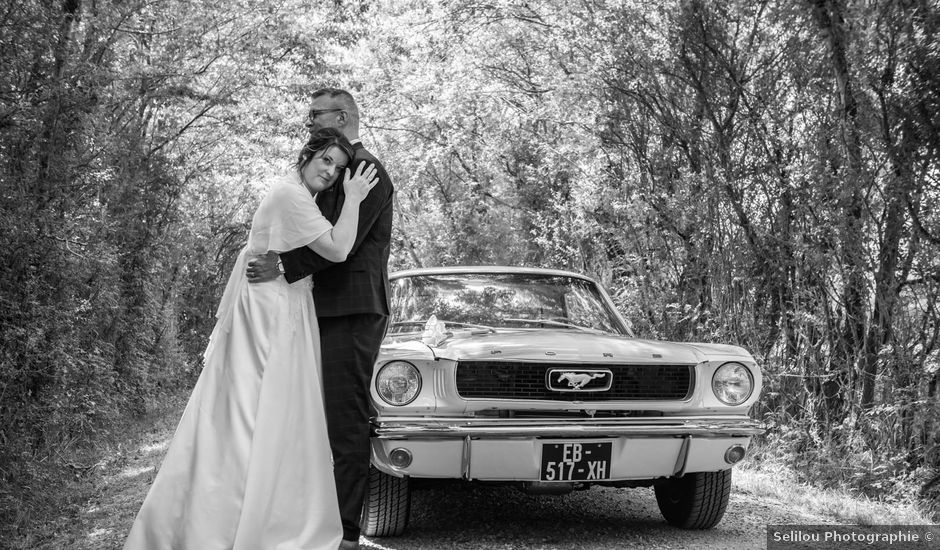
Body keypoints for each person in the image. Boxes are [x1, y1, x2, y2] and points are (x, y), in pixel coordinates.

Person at [123, 128, 378, 550]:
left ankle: (261, 510)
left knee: (270, 411)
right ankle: (231, 520)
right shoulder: (290, 195)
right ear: (307, 155)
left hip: (278, 303)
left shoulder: (297, 194)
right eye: (325, 161)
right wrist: (352, 198)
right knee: (254, 410)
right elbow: (336, 249)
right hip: (268, 314)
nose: (331, 173)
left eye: (337, 168)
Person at [246, 88, 394, 550]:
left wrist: (285, 267)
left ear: (343, 116)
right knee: (313, 419)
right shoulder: (337, 166)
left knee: (345, 420)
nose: (309, 123)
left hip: (350, 311)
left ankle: (347, 534)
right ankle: (311, 518)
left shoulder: (364, 168)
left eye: (316, 115)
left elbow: (338, 246)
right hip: (319, 308)